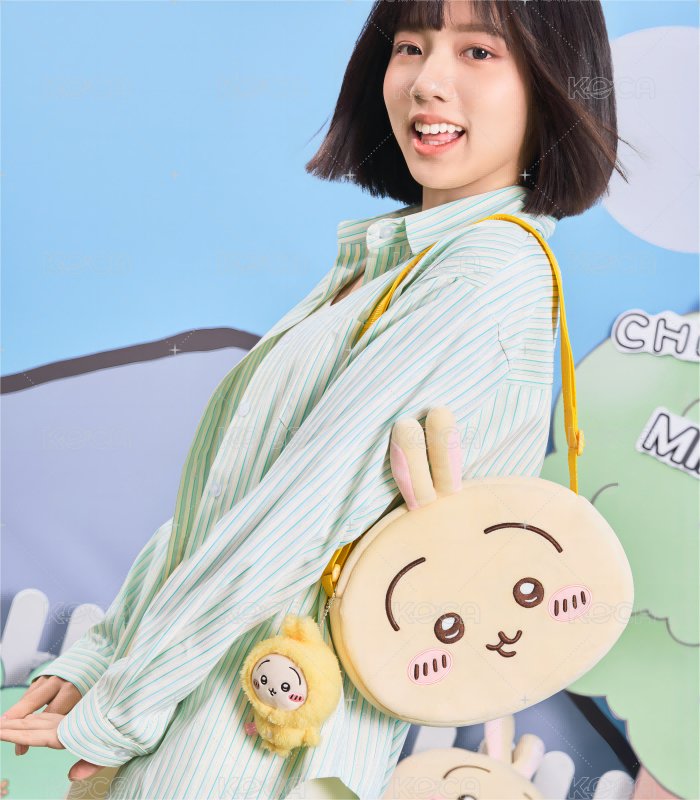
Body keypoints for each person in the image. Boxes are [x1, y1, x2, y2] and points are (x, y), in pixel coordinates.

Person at [0, 0, 628, 797]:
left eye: (478, 52)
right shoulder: (393, 265)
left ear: (551, 83)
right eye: (410, 47)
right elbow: (230, 504)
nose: (426, 82)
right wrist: (104, 656)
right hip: (217, 709)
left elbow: (299, 513)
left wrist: (125, 702)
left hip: (253, 738)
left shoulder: (486, 276)